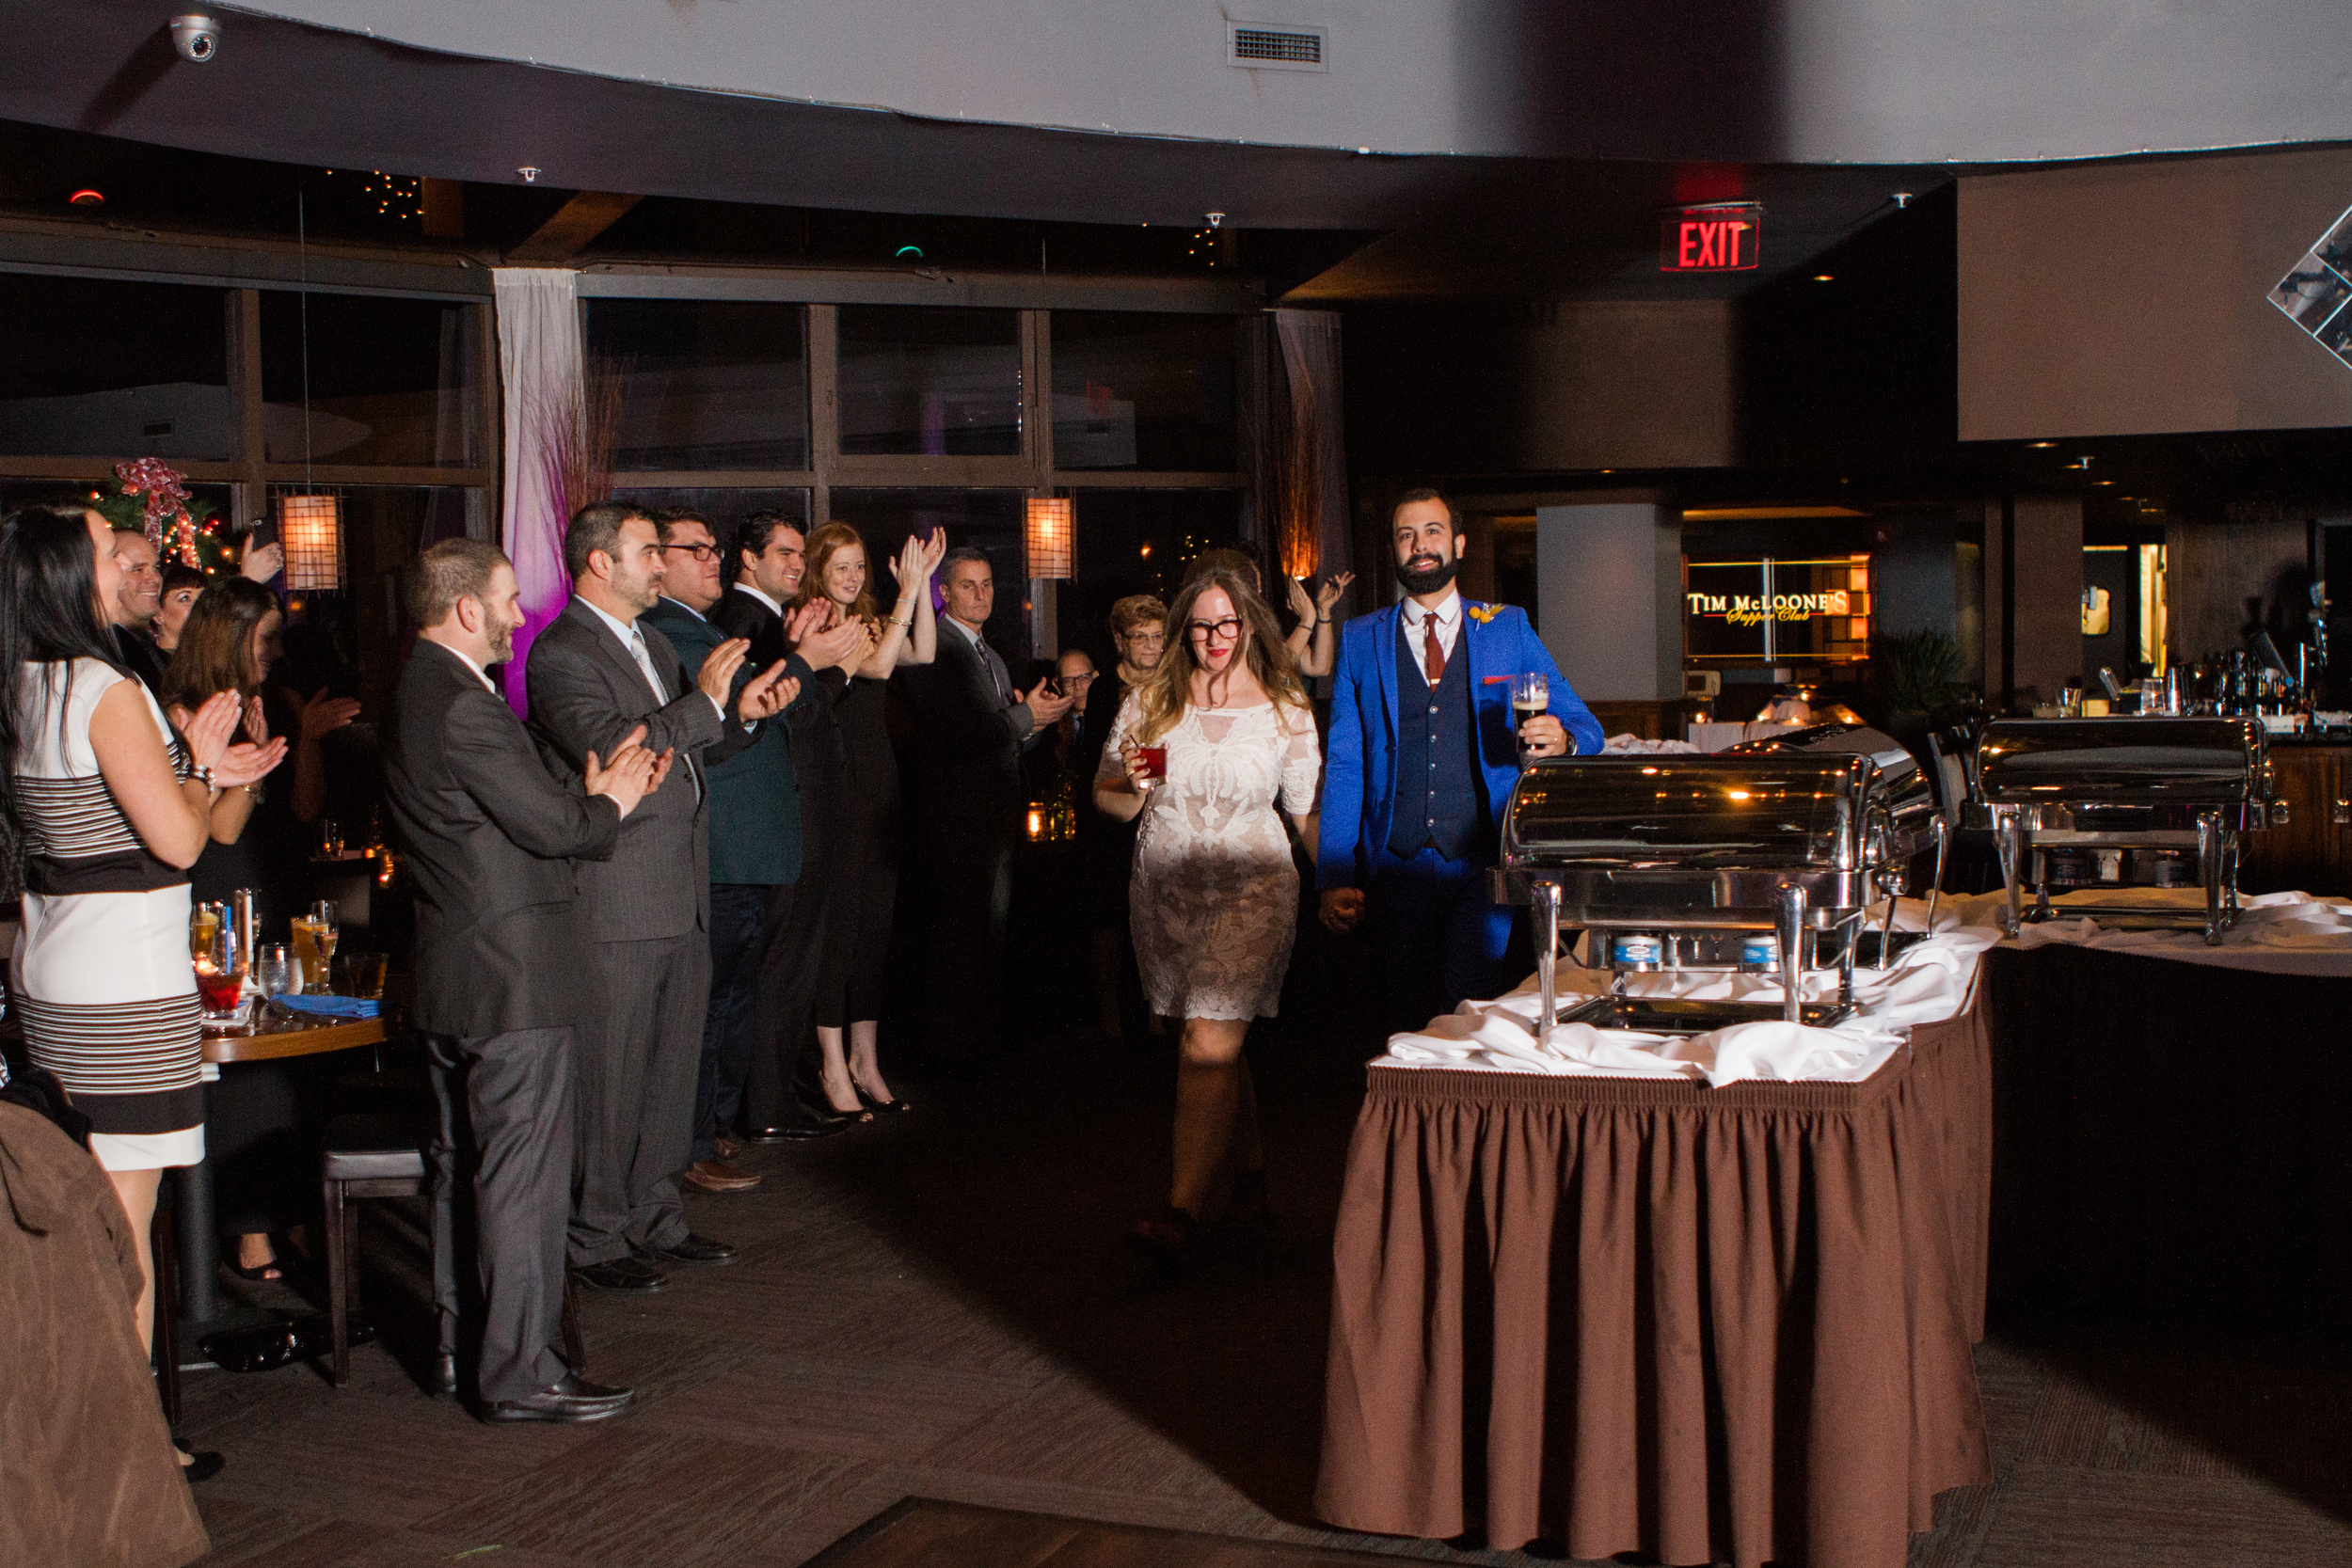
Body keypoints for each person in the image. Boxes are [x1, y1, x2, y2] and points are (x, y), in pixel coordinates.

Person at [0, 504, 282, 1361]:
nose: (134, 566)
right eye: (107, 553)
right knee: (124, 1219)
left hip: (55, 964)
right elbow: (181, 840)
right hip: (124, 980)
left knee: (77, 1209)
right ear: (65, 576)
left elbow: (102, 815)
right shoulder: (106, 688)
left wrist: (196, 769)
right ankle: (128, 1456)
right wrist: (196, 766)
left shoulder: (23, 680)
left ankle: (90, 1437)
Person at [383, 536, 654, 1422]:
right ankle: (521, 1372)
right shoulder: (461, 703)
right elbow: (552, 826)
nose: (517, 617)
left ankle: (466, 1352)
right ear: (466, 608)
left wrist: (579, 799)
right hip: (512, 980)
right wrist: (610, 800)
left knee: (469, 1167)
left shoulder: (418, 691)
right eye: (506, 601)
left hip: (457, 975)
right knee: (521, 1179)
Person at [526, 501, 797, 1293]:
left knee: (672, 1067)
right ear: (600, 564)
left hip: (679, 885)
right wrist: (705, 706)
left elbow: (688, 737)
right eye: (649, 551)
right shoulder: (561, 652)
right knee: (611, 1073)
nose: (662, 564)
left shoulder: (646, 640)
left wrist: (736, 714)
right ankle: (597, 1231)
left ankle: (654, 1215)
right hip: (618, 894)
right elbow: (616, 746)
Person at [1094, 568, 1320, 1264]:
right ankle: (1250, 1177)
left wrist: (1338, 880)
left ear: (1249, 624)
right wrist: (1127, 784)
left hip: (1253, 891)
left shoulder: (1285, 706)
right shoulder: (1151, 701)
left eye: (1227, 624)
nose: (1214, 638)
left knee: (1206, 1044)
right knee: (1210, 1037)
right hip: (1165, 894)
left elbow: (1304, 811)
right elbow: (1108, 797)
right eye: (1201, 624)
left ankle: (1181, 1209)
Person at [1316, 487, 1604, 1032]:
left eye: (1432, 532)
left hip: (1483, 865)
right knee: (1402, 1018)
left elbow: (1588, 728)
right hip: (1393, 866)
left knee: (1475, 1013)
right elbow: (1346, 764)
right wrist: (1335, 873)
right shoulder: (1359, 639)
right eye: (1406, 535)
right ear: (1393, 551)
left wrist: (1564, 739)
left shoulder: (1506, 627)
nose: (1419, 545)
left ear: (1459, 544)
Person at [642, 509, 852, 1192]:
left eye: (712, 546)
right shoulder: (673, 630)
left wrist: (799, 659)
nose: (712, 559)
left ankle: (715, 1129)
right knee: (713, 1003)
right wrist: (802, 660)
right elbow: (741, 712)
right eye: (694, 549)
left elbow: (761, 707)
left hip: (748, 846)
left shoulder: (703, 627)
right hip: (724, 845)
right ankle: (696, 1140)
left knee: (731, 997)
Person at [160, 578, 360, 1282]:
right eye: (265, 636)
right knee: (250, 1072)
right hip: (223, 893)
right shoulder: (186, 713)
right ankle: (247, 1228)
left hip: (279, 884)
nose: (276, 650)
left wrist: (297, 739)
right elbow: (217, 826)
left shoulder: (271, 702)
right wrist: (239, 766)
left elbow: (305, 807)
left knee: (296, 1060)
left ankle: (294, 1206)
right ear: (230, 635)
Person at [711, 509, 876, 1137]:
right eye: (783, 552)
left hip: (802, 815)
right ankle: (766, 1109)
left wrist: (818, 659)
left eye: (798, 554)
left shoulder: (772, 624)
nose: (795, 564)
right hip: (783, 821)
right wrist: (820, 661)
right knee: (780, 968)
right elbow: (771, 719)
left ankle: (776, 1102)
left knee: (793, 966)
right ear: (747, 559)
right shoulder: (742, 622)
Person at [893, 546, 1072, 1073]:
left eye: (989, 584)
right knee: (956, 939)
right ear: (943, 593)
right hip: (955, 821)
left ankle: (977, 1046)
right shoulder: (938, 649)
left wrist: (1034, 723)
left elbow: (999, 740)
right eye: (968, 585)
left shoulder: (988, 653)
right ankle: (950, 1056)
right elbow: (955, 735)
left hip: (994, 818)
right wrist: (1023, 716)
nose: (982, 594)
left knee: (986, 935)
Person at [792, 522, 942, 1115]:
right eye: (842, 568)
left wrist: (923, 583)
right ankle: (831, 1065)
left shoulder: (874, 618)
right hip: (839, 785)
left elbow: (921, 652)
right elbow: (877, 668)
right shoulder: (822, 626)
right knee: (842, 925)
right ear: (819, 573)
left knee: (875, 927)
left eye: (860, 567)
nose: (854, 578)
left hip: (879, 783)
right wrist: (908, 596)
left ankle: (865, 1060)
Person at [1079, 596, 1165, 1041]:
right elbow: (1100, 761)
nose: (1151, 646)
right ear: (1119, 640)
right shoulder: (1101, 689)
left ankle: (1155, 1012)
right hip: (1112, 813)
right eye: (1140, 636)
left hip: (1160, 809)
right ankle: (1110, 1014)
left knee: (1152, 913)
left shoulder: (1174, 683)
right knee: (1109, 916)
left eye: (1157, 636)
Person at [152, 563, 204, 654]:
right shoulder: (148, 663)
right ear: (158, 614)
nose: (199, 604)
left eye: (203, 597)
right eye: (185, 598)